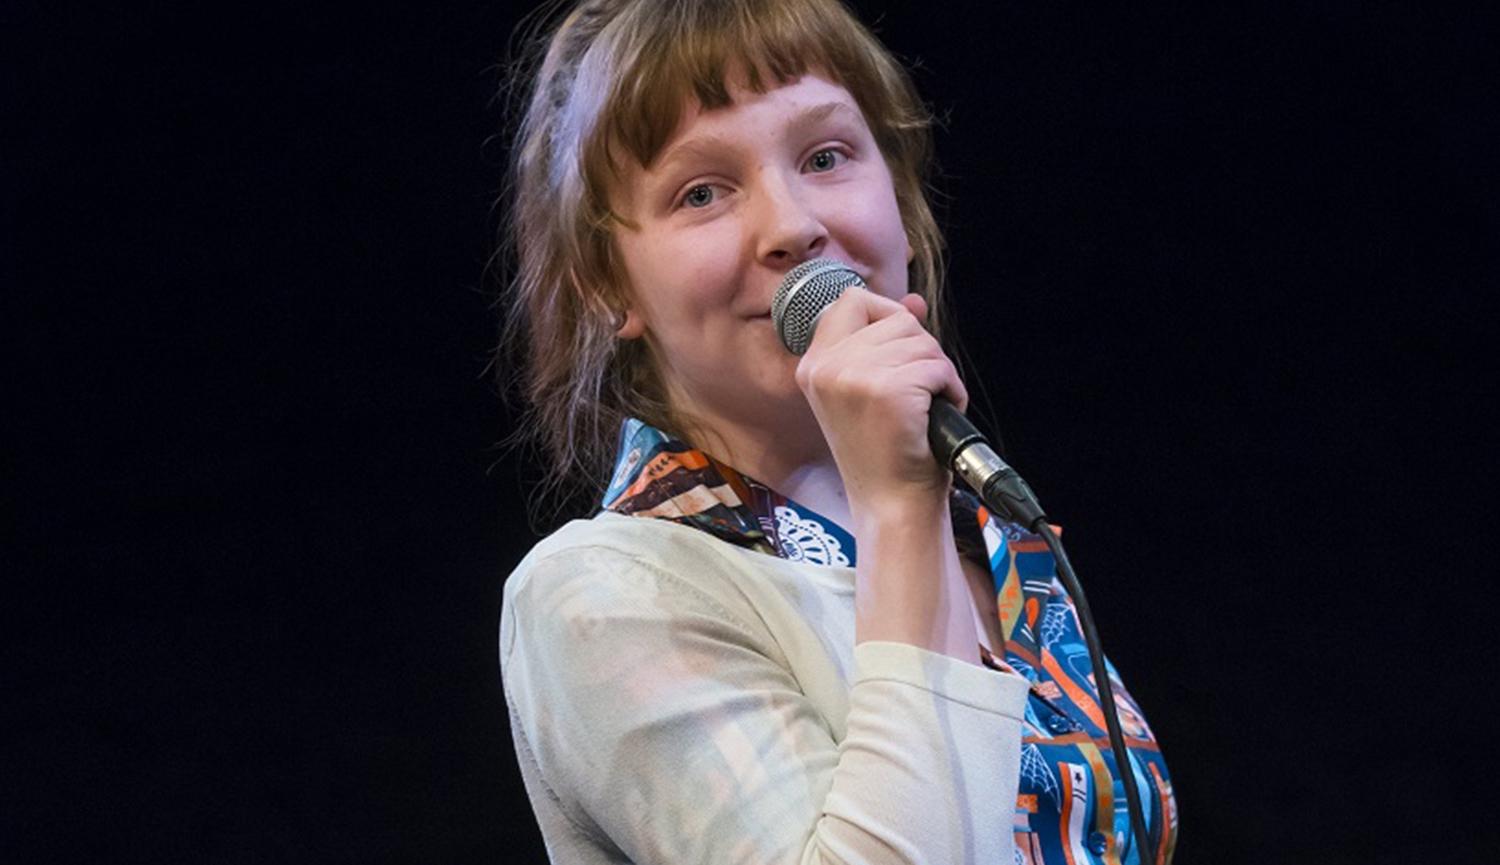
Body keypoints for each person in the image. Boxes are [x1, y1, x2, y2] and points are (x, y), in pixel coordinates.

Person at [495, 0, 1177, 862]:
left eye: (825, 157)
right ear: (605, 286)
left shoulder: (992, 539)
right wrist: (898, 506)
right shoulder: (602, 593)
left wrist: (908, 508)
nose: (793, 226)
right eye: (701, 192)